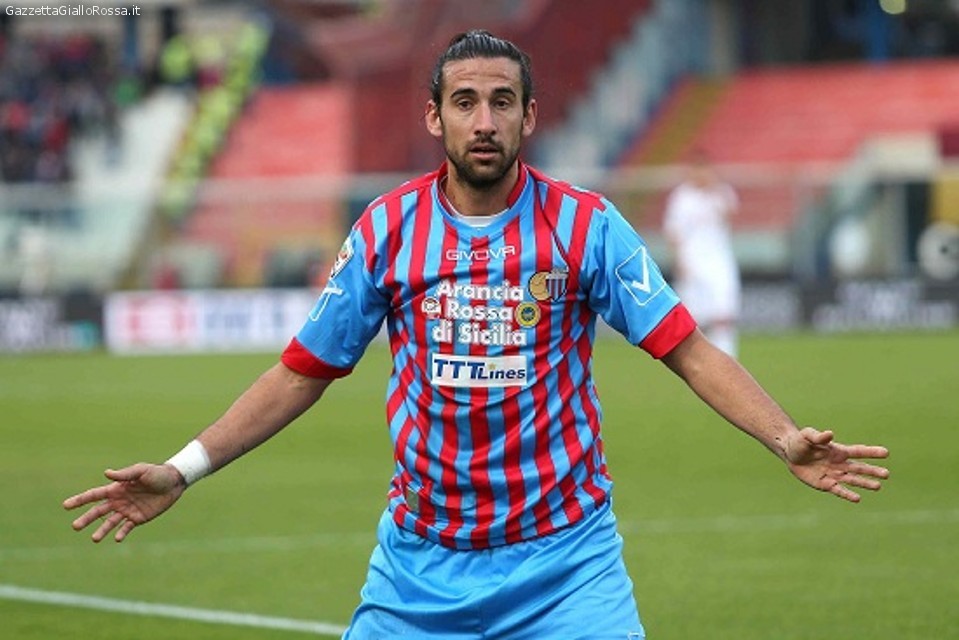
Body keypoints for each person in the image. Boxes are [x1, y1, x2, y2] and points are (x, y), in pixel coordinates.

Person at [64, 31, 890, 639]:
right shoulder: (387, 230)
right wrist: (183, 469)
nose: (484, 120)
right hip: (418, 570)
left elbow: (687, 347)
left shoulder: (586, 226)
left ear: (529, 115)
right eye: (464, 102)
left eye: (501, 101)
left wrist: (784, 437)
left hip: (568, 564)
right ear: (435, 117)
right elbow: (301, 370)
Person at [663, 150, 742, 357]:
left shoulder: (721, 192)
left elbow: (731, 214)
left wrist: (714, 190)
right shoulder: (681, 197)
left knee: (723, 311)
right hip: (692, 261)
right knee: (694, 317)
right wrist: (678, 260)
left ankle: (727, 357)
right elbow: (673, 232)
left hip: (719, 259)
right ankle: (699, 360)